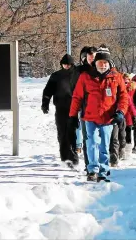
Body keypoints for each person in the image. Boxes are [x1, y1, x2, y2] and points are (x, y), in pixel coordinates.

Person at [68, 46, 128, 182]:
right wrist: (72, 116)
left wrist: (121, 112)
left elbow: (123, 97)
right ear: (95, 63)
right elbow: (77, 97)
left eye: (105, 62)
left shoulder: (116, 77)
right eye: (100, 62)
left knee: (104, 145)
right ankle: (92, 170)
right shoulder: (85, 77)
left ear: (109, 63)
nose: (102, 65)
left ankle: (103, 170)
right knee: (92, 143)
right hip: (90, 117)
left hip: (108, 118)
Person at [41, 53, 79, 167]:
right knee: (62, 132)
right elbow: (48, 91)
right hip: (60, 107)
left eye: (68, 64)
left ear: (72, 64)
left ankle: (73, 156)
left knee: (72, 132)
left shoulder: (77, 75)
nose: (66, 66)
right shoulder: (56, 76)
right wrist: (45, 104)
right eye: (64, 64)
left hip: (74, 107)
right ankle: (65, 157)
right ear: (61, 64)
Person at [69, 46, 98, 170]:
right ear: (85, 57)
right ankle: (89, 165)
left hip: (102, 109)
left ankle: (101, 165)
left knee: (100, 139)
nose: (92, 59)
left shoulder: (102, 68)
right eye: (90, 56)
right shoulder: (79, 71)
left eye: (94, 56)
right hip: (86, 109)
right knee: (88, 137)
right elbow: (74, 90)